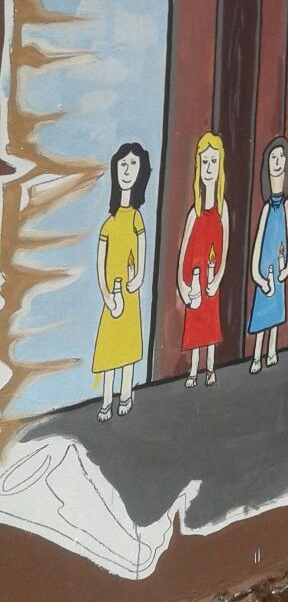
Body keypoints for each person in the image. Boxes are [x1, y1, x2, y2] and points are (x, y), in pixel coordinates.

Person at [92, 142, 151, 421]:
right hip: (112, 298)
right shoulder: (108, 224)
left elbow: (141, 252)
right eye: (123, 165)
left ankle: (125, 394)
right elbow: (100, 265)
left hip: (129, 296)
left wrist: (137, 278)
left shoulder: (136, 218)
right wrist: (107, 296)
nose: (127, 170)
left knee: (127, 348)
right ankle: (106, 399)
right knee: (108, 351)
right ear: (116, 170)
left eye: (133, 165)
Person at [177, 132, 230, 387]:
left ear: (220, 166)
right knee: (195, 323)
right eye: (205, 162)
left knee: (210, 323)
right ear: (199, 167)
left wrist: (217, 278)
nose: (209, 168)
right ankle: (193, 369)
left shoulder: (222, 210)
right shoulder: (193, 213)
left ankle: (210, 367)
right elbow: (183, 252)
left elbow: (226, 249)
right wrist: (183, 285)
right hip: (195, 281)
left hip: (211, 283)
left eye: (214, 161)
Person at [248, 136, 288, 372]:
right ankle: (257, 355)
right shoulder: (267, 208)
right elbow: (257, 245)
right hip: (265, 270)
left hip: (278, 269)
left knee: (275, 312)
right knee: (262, 312)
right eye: (273, 157)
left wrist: (285, 267)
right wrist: (257, 275)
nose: (277, 162)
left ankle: (272, 350)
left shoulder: (287, 207)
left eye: (281, 157)